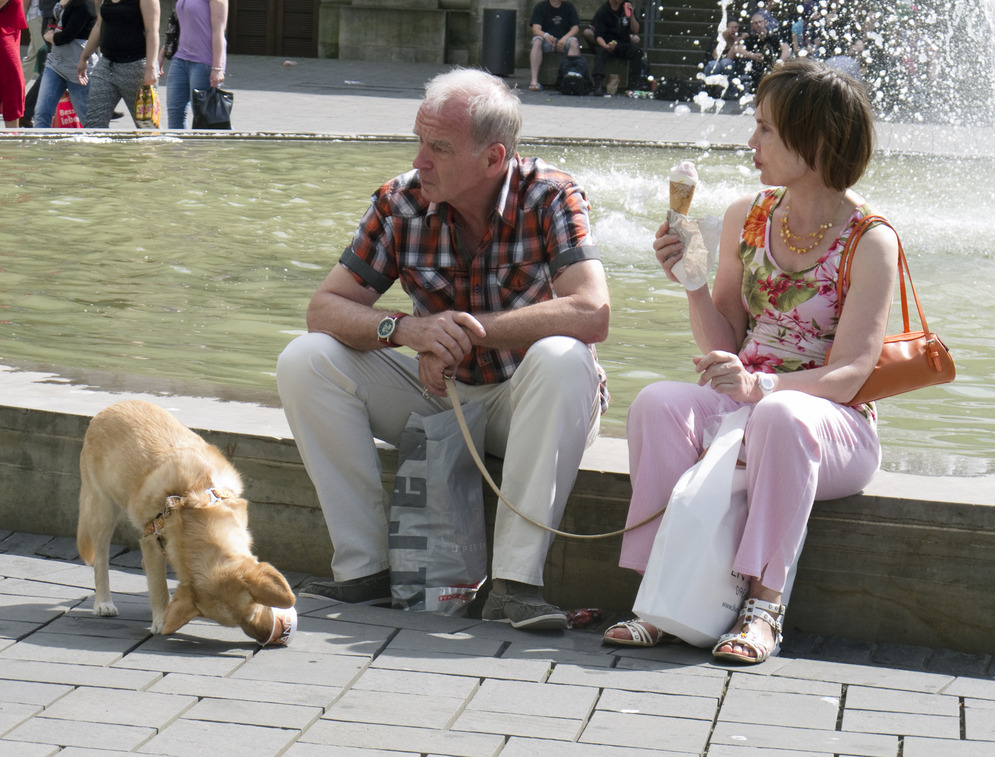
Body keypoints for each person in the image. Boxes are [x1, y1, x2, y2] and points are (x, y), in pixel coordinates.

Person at [276, 68, 611, 631]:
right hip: (442, 395)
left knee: (564, 356)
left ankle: (514, 584)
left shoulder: (551, 193)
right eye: (419, 140)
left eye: (439, 147)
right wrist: (407, 332)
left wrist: (464, 331)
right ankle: (364, 572)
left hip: (529, 401)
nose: (420, 159)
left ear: (493, 157)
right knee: (305, 359)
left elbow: (592, 311)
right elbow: (325, 308)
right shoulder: (399, 201)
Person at [602, 58, 896, 663]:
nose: (750, 141)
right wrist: (690, 278)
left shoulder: (870, 239)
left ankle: (764, 608)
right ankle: (659, 596)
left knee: (782, 417)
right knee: (658, 403)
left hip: (826, 423)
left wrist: (760, 386)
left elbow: (851, 375)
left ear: (813, 140)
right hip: (747, 399)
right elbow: (726, 336)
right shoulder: (749, 215)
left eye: (765, 129)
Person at [77, 0, 158, 128]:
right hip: (106, 66)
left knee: (146, 127)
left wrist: (151, 68)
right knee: (93, 125)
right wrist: (84, 57)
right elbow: (99, 25)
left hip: (136, 68)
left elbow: (152, 31)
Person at [163, 0, 227, 128]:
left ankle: (213, 144)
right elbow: (179, 28)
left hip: (204, 62)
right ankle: (178, 147)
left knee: (204, 116)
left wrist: (217, 68)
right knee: (174, 111)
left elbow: (219, 31)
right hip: (180, 58)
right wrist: (161, 55)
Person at [32, 0, 95, 128]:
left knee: (87, 117)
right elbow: (51, 21)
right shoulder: (62, 2)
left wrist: (51, 37)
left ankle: (97, 145)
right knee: (42, 113)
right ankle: (39, 145)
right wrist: (50, 31)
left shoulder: (84, 5)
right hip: (55, 64)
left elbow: (66, 37)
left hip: (78, 68)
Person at [589, 0, 644, 95]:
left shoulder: (626, 8)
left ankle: (634, 84)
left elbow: (635, 30)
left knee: (637, 51)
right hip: (607, 42)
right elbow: (598, 35)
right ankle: (598, 83)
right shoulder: (603, 11)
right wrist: (605, 46)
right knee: (600, 52)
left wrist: (631, 17)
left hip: (623, 43)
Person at [527, 0, 580, 92]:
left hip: (563, 40)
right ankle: (534, 81)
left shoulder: (569, 7)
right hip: (548, 41)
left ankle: (572, 81)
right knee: (537, 41)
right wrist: (545, 35)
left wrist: (564, 39)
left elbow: (575, 28)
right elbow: (536, 29)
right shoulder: (540, 7)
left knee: (574, 42)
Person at [733, 11, 790, 94]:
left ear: (765, 23)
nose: (758, 24)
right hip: (756, 71)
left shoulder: (774, 36)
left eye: (760, 22)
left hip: (773, 69)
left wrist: (779, 62)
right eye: (755, 23)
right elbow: (737, 49)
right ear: (752, 26)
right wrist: (752, 55)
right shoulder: (751, 38)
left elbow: (787, 49)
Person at [702, 19, 746, 99]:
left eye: (735, 27)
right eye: (729, 27)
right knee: (714, 65)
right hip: (713, 66)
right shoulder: (717, 38)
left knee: (726, 63)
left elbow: (729, 58)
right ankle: (712, 90)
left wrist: (736, 42)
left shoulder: (739, 40)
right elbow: (715, 56)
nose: (732, 30)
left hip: (731, 70)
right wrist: (723, 40)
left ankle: (727, 91)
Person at [0, 0, 27, 126]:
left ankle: (13, 138)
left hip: (8, 29)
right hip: (5, 34)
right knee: (12, 85)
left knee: (12, 87)